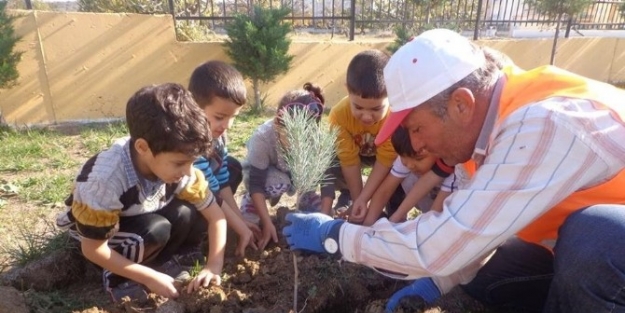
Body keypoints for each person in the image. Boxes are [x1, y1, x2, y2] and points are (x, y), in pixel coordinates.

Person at [282, 28, 625, 313]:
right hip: (570, 255)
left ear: (461, 104)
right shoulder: (490, 137)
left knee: (594, 240)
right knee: (487, 279)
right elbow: (477, 231)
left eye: (416, 128)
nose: (415, 146)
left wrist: (336, 237)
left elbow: (443, 243)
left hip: (606, 252)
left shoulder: (545, 123)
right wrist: (437, 282)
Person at [56, 83, 227, 303]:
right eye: (179, 163)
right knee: (155, 230)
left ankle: (162, 263)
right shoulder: (105, 180)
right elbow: (92, 249)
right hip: (100, 237)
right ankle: (118, 279)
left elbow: (216, 216)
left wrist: (214, 265)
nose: (187, 172)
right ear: (143, 148)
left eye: (191, 162)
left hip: (141, 215)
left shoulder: (180, 169)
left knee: (188, 212)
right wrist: (148, 278)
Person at [240, 82, 335, 250]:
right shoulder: (263, 138)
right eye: (291, 136)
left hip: (294, 174)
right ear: (277, 123)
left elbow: (327, 179)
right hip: (265, 176)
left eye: (306, 136)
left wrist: (325, 217)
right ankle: (251, 203)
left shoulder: (316, 137)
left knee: (308, 169)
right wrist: (268, 223)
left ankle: (306, 196)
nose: (299, 143)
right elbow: (256, 182)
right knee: (279, 182)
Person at [188, 60, 260, 257]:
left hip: (209, 194)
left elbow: (221, 181)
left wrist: (240, 219)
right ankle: (191, 243)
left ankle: (220, 220)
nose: (227, 125)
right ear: (195, 108)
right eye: (219, 117)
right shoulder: (190, 141)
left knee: (233, 167)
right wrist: (240, 227)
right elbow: (209, 190)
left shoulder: (219, 136)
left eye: (233, 117)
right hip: (186, 198)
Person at [327, 49, 400, 219]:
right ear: (347, 90)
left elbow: (385, 162)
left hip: (382, 159)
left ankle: (389, 206)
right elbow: (349, 163)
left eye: (376, 109)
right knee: (330, 162)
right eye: (358, 107)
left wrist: (367, 201)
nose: (366, 116)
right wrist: (359, 201)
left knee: (398, 168)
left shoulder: (395, 117)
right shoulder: (338, 116)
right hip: (352, 157)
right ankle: (347, 194)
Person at [361, 126, 457, 226]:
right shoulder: (409, 153)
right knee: (405, 177)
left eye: (419, 159)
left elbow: (435, 212)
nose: (410, 165)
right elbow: (384, 191)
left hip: (451, 209)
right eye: (403, 158)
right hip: (431, 202)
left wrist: (426, 228)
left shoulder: (453, 164)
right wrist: (368, 226)